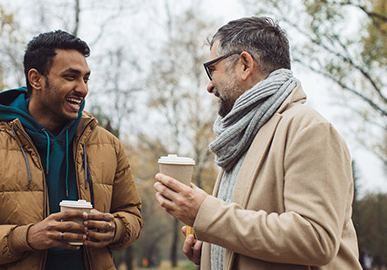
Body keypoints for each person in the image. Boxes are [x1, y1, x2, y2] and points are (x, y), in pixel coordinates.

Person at [154, 17, 362, 269]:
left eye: (212, 69)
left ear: (244, 64)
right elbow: (249, 232)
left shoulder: (310, 130)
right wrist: (213, 251)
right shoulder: (243, 136)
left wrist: (203, 212)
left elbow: (315, 239)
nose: (209, 85)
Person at [0, 30, 143, 270]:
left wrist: (117, 228)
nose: (83, 89)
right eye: (71, 77)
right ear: (36, 79)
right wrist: (28, 237)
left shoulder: (109, 146)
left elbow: (132, 214)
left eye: (86, 79)